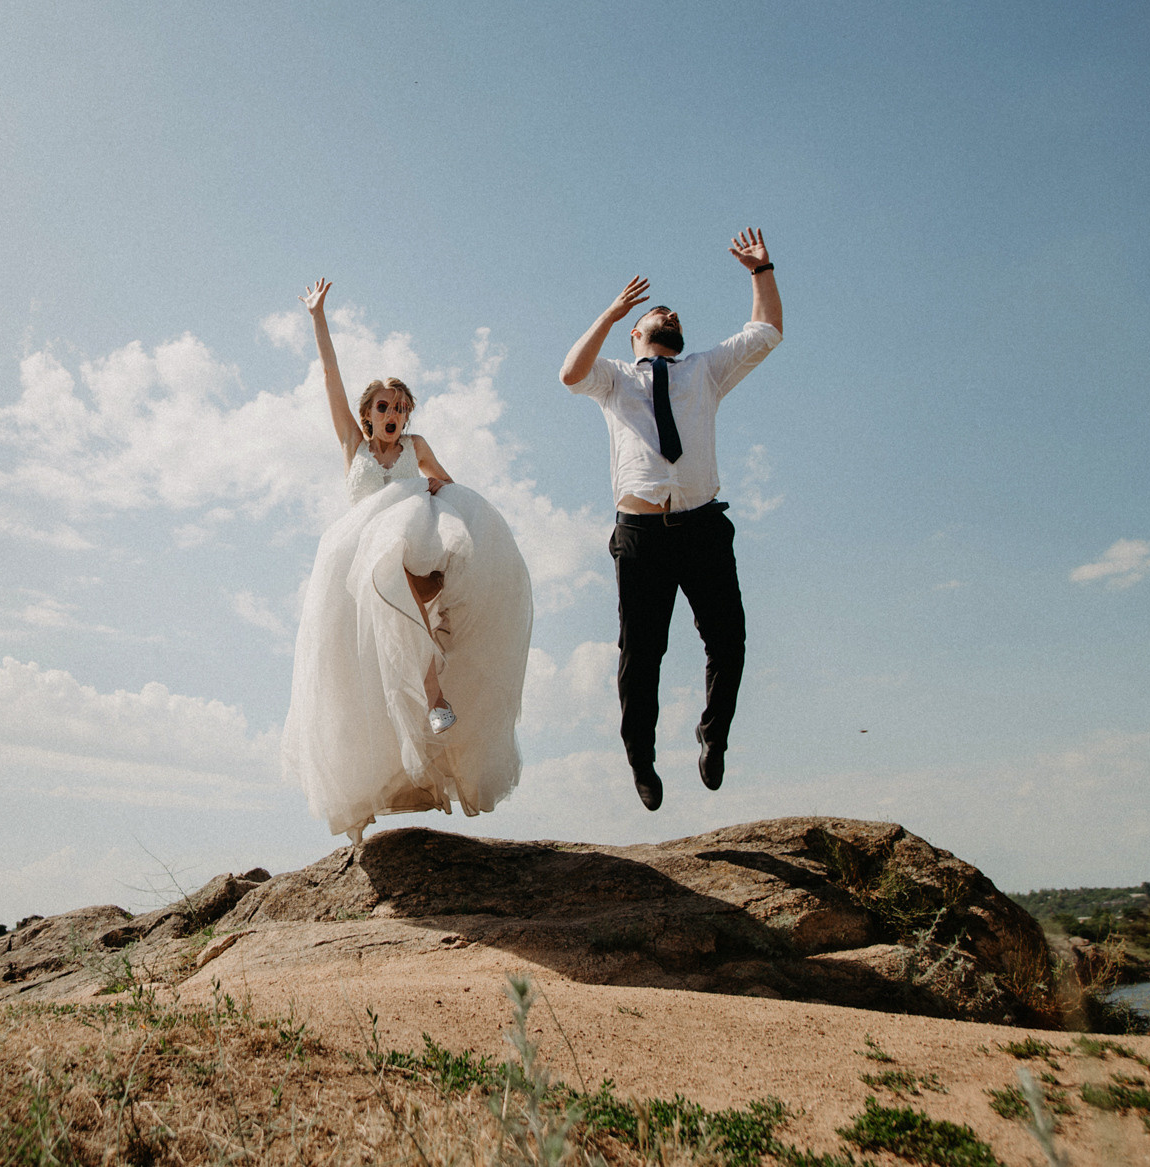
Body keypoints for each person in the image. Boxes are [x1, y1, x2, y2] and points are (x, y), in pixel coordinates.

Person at [281, 280, 534, 842]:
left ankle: (434, 694)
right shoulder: (354, 444)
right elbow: (330, 377)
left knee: (404, 556)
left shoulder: (415, 448)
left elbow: (444, 483)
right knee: (353, 680)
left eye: (400, 407)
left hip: (402, 552)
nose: (392, 414)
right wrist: (319, 318)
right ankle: (356, 816)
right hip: (353, 562)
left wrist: (432, 503)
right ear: (367, 414)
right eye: (382, 407)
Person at [559, 228, 784, 811]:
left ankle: (714, 734)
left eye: (675, 312)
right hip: (640, 537)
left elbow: (766, 334)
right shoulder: (614, 379)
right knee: (642, 653)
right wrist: (612, 313)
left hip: (704, 527)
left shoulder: (703, 371)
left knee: (728, 640)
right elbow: (568, 374)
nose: (671, 311)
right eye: (660, 311)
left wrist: (761, 272)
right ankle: (641, 759)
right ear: (637, 333)